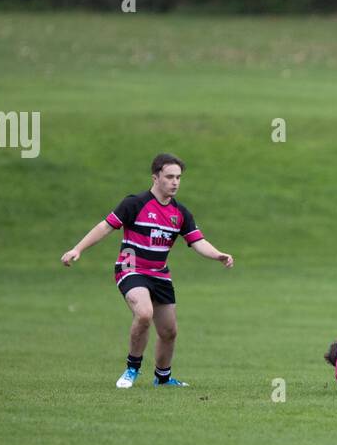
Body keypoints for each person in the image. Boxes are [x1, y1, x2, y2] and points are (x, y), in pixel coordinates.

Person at [61, 153, 234, 388]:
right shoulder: (135, 204)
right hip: (131, 268)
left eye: (179, 177)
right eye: (169, 177)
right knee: (144, 313)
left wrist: (218, 255)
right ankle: (132, 369)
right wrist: (77, 249)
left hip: (159, 274)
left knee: (169, 331)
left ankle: (162, 378)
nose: (175, 182)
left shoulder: (180, 213)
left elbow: (197, 241)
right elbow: (105, 226)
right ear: (155, 178)